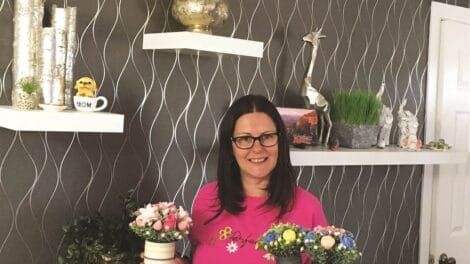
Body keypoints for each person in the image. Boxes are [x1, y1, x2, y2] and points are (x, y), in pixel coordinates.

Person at [178, 95, 327, 264]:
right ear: (231, 147)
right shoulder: (207, 198)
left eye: (267, 136)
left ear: (280, 141)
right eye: (245, 139)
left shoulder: (308, 207)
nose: (257, 148)